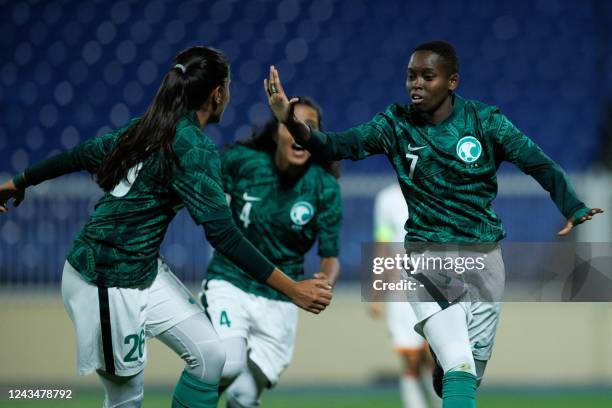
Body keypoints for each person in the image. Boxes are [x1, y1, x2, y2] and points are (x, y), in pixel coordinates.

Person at [263, 40, 603, 408]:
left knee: (465, 375)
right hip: (427, 257)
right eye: (411, 76)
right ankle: (448, 358)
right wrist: (290, 121)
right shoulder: (395, 124)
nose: (416, 84)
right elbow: (335, 145)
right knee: (459, 359)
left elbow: (538, 163)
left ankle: (444, 365)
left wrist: (570, 204)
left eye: (428, 76)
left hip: (484, 261)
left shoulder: (484, 122)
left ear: (452, 81)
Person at [0, 46, 332, 408]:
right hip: (104, 278)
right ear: (217, 94)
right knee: (126, 399)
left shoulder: (146, 129)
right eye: (229, 87)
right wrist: (293, 288)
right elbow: (223, 235)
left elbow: (80, 154)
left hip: (140, 267)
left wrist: (20, 181)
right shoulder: (193, 147)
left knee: (210, 356)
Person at [201, 96, 342, 407]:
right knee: (227, 363)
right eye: (291, 124)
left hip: (283, 298)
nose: (299, 132)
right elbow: (199, 193)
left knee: (243, 396)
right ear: (278, 131)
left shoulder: (324, 188)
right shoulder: (243, 162)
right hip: (231, 281)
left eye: (310, 127)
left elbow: (330, 255)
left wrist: (325, 280)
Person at [369, 183, 440, 408]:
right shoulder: (386, 198)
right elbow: (382, 245)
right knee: (410, 359)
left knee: (434, 356)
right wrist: (377, 292)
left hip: (434, 287)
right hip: (400, 289)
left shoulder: (436, 190)